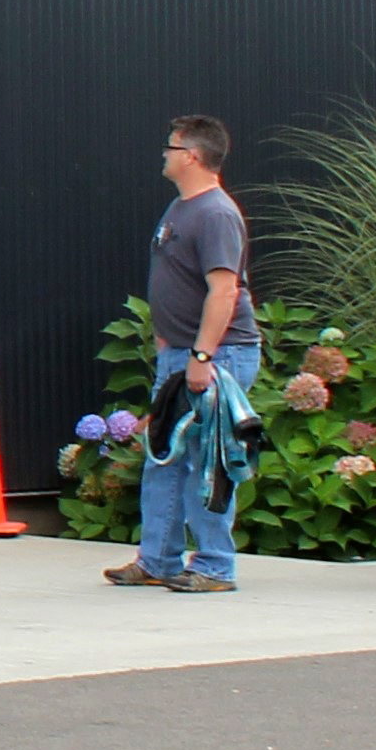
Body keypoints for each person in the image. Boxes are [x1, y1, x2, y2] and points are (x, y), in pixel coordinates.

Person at [110, 113, 259, 595]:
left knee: (205, 457)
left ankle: (215, 566)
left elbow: (224, 291)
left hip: (217, 356)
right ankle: (157, 559)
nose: (164, 154)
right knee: (164, 457)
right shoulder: (182, 207)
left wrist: (202, 357)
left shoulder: (216, 214)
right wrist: (167, 345)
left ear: (191, 156)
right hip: (180, 353)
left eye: (170, 147)